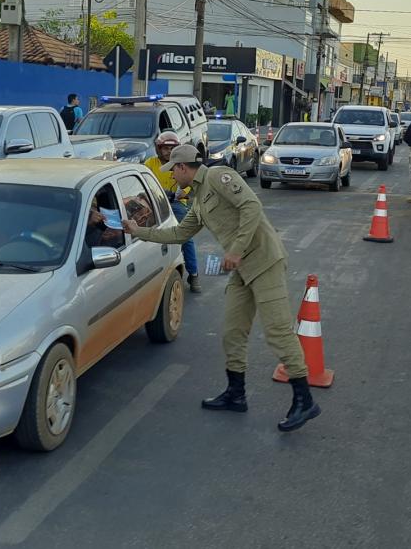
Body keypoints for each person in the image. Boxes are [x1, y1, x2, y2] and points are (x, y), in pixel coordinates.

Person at [122, 144, 321, 433]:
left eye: (173, 172)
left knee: (278, 331)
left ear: (183, 167)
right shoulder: (198, 198)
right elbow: (179, 233)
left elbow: (251, 206)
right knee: (232, 332)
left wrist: (237, 249)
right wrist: (137, 231)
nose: (173, 178)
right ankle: (235, 393)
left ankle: (304, 399)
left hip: (264, 261)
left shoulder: (218, 176)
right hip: (242, 271)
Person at [144, 132, 200, 293]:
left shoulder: (182, 164)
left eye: (172, 148)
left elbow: (190, 183)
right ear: (158, 149)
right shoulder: (150, 164)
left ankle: (193, 273)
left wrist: (184, 192)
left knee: (185, 236)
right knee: (145, 237)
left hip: (176, 204)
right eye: (165, 148)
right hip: (155, 204)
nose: (168, 152)